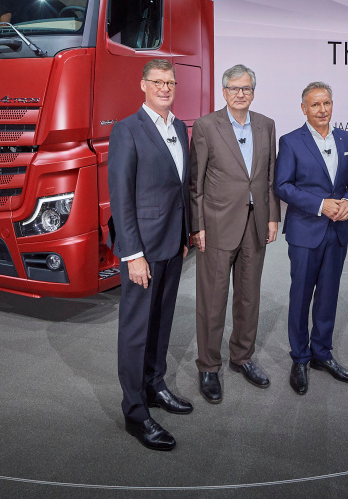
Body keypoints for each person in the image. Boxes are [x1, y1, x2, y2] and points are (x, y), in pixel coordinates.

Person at [107, 58, 193, 451]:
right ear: (143, 85)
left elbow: (180, 187)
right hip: (142, 249)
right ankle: (135, 410)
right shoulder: (127, 129)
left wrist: (186, 232)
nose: (164, 88)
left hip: (173, 244)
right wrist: (133, 254)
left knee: (161, 321)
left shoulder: (179, 128)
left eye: (170, 82)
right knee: (136, 329)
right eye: (157, 81)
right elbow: (121, 197)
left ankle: (155, 385)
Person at [189, 64, 280, 403]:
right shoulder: (205, 126)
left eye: (246, 89)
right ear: (224, 92)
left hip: (256, 224)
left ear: (253, 92)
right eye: (234, 88)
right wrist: (197, 225)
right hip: (216, 226)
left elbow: (269, 177)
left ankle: (242, 357)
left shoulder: (266, 125)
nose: (241, 94)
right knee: (212, 300)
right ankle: (208, 366)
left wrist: (272, 217)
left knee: (249, 297)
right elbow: (196, 182)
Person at [274, 81, 348, 395]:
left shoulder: (346, 139)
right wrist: (320, 204)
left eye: (326, 103)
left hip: (337, 232)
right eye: (315, 104)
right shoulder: (290, 141)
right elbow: (283, 186)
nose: (322, 109)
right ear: (304, 109)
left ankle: (322, 354)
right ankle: (300, 358)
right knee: (301, 296)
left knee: (328, 295)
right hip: (305, 232)